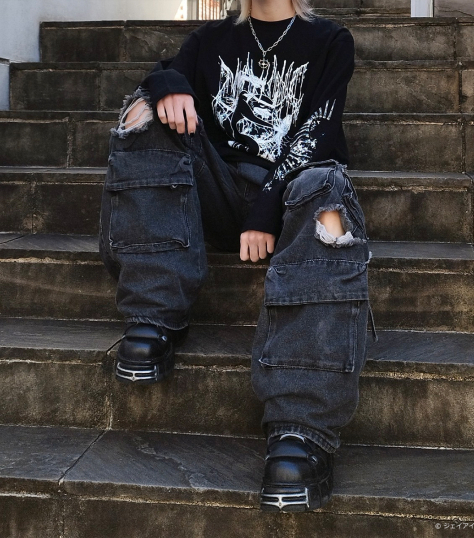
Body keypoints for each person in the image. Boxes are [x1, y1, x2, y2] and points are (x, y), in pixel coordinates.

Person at [99, 0, 372, 512]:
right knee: (143, 117)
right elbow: (163, 74)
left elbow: (317, 132)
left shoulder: (331, 41)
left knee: (329, 193)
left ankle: (301, 428)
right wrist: (167, 86)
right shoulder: (209, 39)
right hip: (219, 191)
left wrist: (265, 209)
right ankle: (154, 313)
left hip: (293, 197)